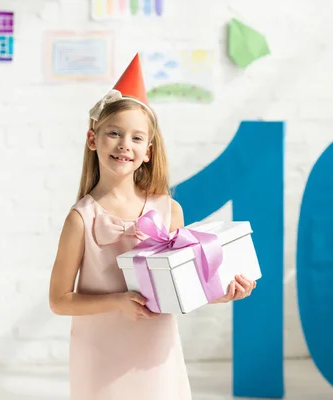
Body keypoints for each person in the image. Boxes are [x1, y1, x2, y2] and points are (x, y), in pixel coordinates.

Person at [48, 53, 257, 399]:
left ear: (148, 151)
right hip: (100, 353)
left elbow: (178, 287)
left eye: (136, 138)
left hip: (155, 351)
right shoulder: (81, 218)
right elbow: (59, 300)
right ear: (92, 140)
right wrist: (118, 301)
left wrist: (221, 294)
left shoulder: (168, 209)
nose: (124, 145)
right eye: (114, 133)